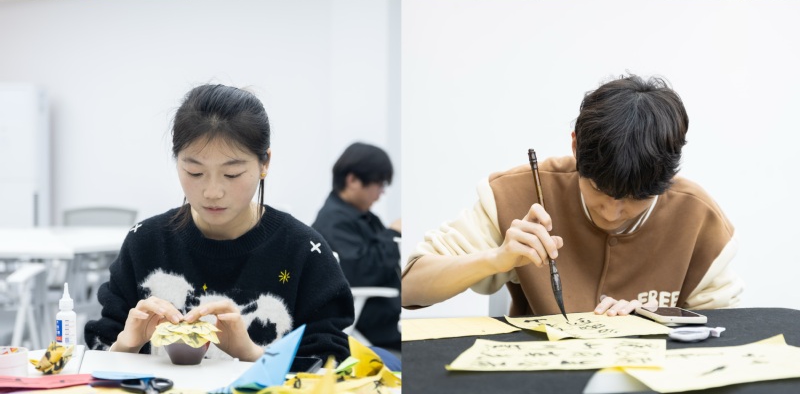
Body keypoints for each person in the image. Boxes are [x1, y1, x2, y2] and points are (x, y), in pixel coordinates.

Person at [402, 75, 742, 318]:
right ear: (576, 146)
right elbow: (410, 287)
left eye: (636, 198)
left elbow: (729, 326)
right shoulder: (515, 194)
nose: (611, 212)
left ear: (667, 176)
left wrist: (659, 318)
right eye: (598, 189)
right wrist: (498, 258)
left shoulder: (698, 217)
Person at [84, 84, 353, 364]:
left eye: (232, 174)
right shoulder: (145, 243)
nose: (212, 192)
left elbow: (332, 361)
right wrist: (125, 345)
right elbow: (98, 350)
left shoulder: (303, 251)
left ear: (264, 163)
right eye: (195, 172)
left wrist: (251, 354)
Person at [312, 143, 401, 351]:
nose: (381, 193)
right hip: (372, 319)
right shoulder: (333, 222)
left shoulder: (362, 217)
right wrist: (393, 233)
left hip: (386, 313)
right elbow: (361, 272)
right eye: (379, 183)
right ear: (352, 180)